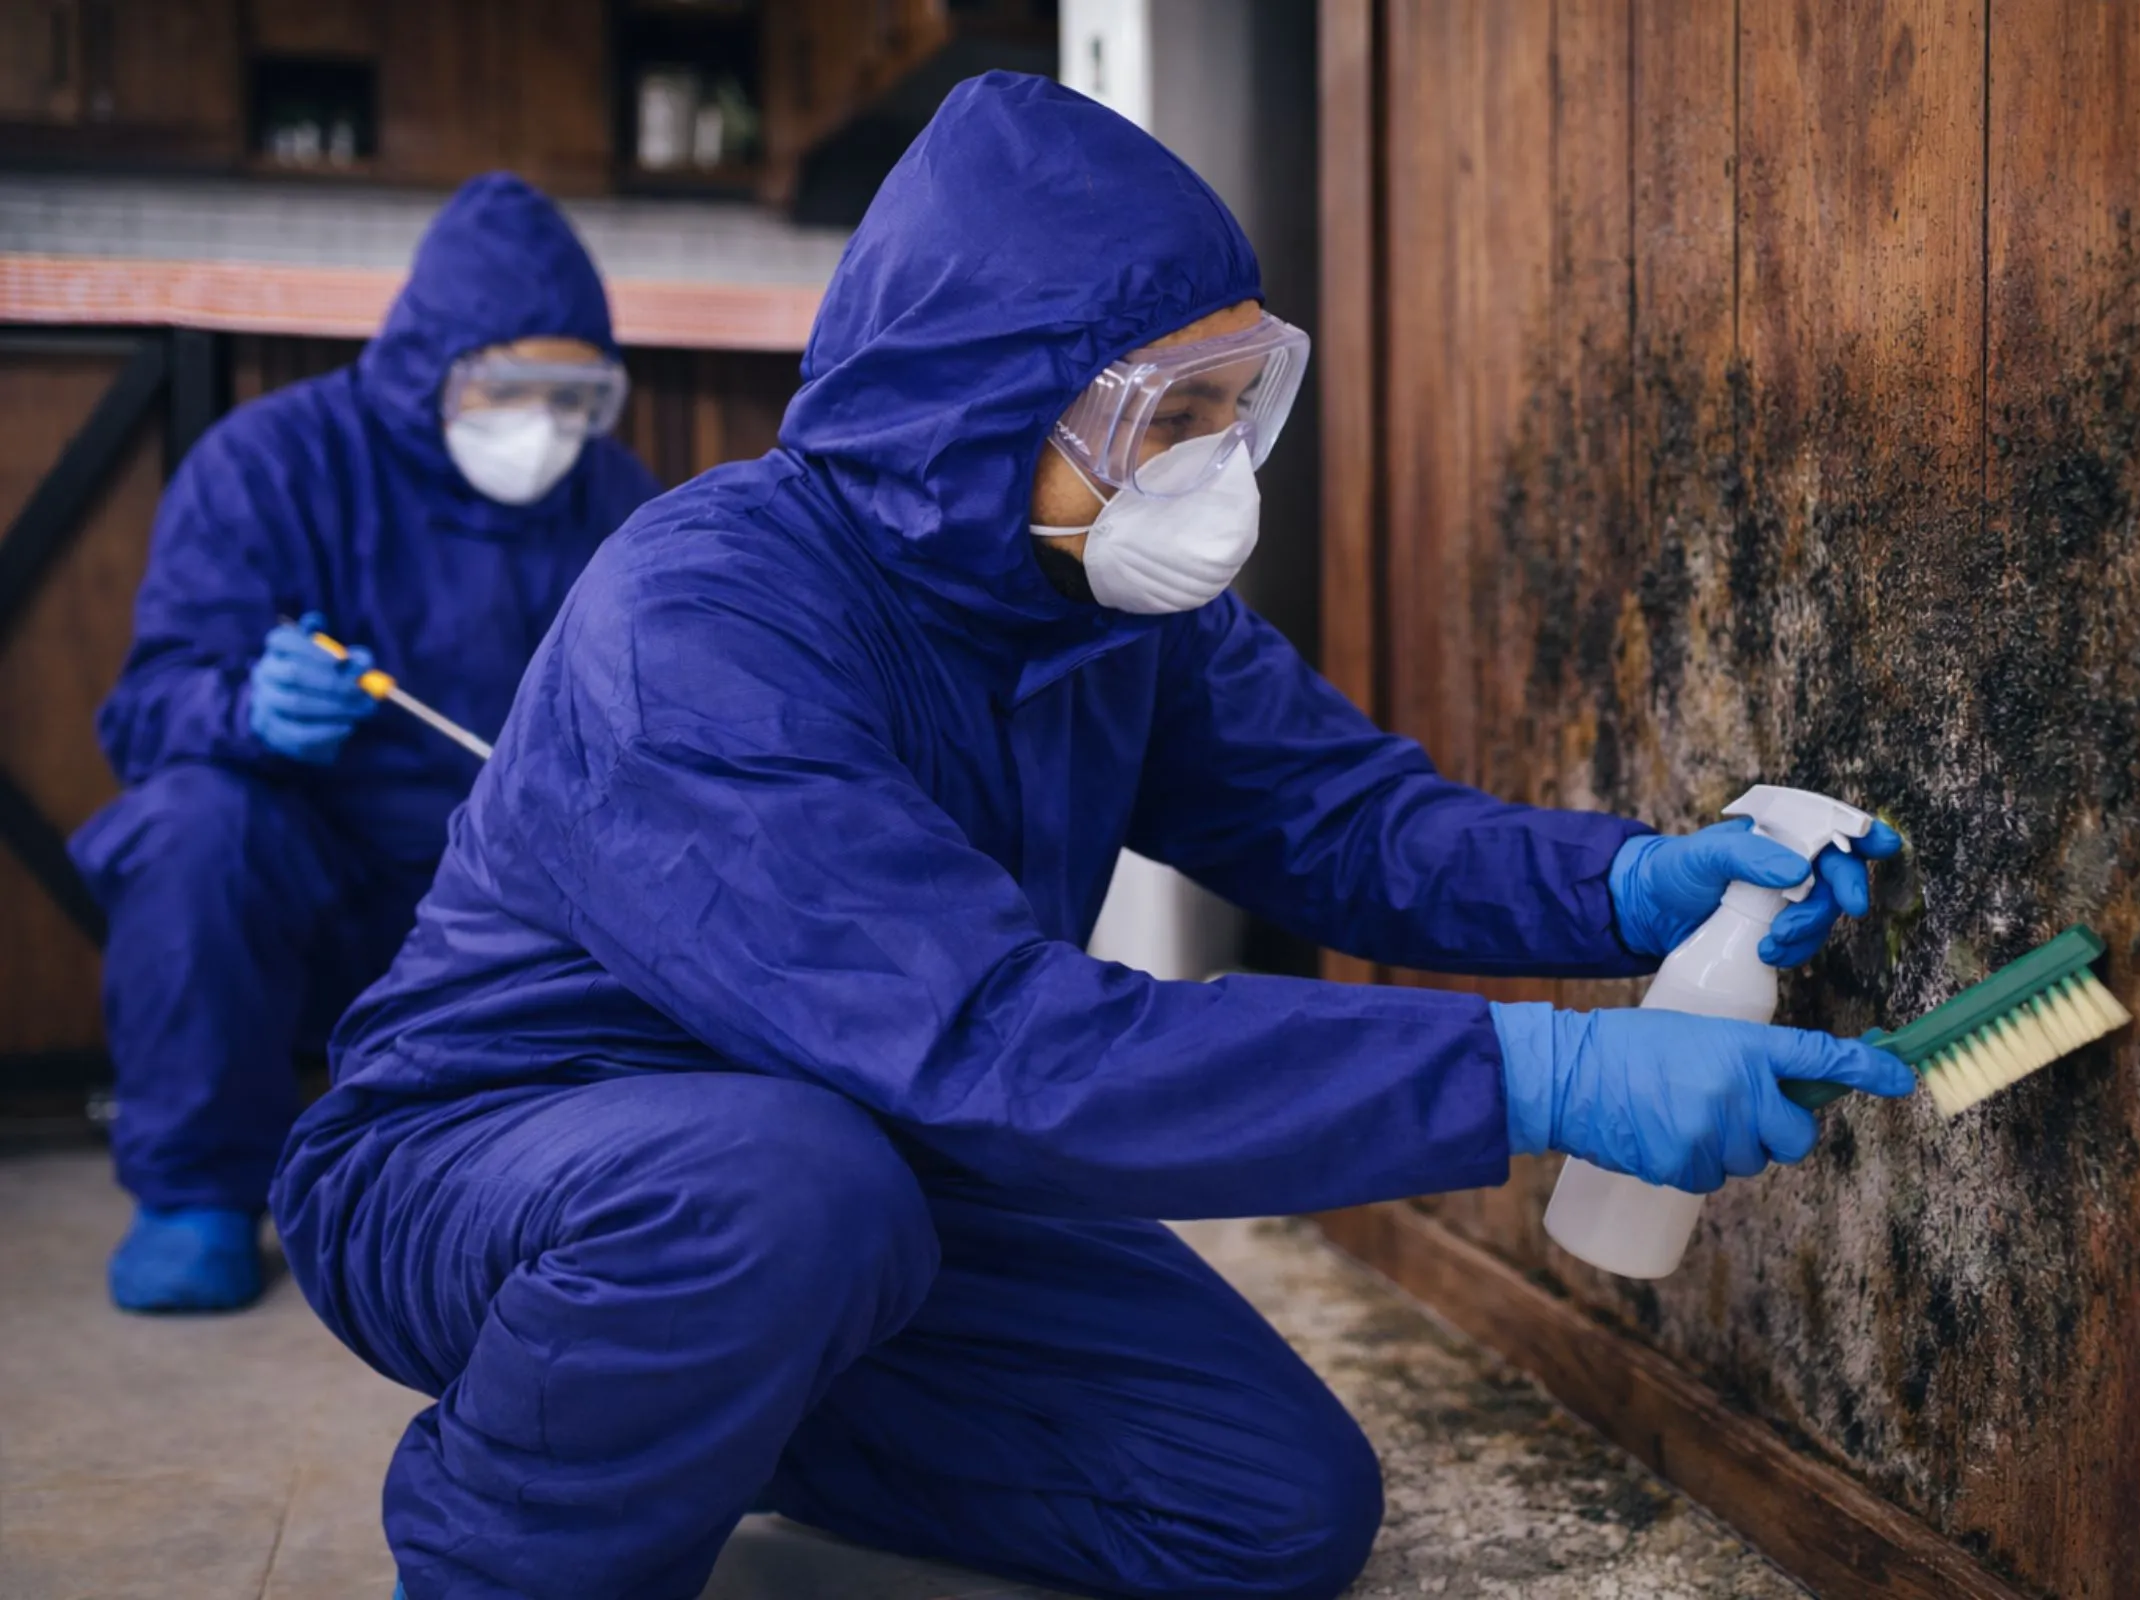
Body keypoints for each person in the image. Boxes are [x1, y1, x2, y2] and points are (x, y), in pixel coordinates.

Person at [272, 77, 1913, 1600]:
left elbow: (1342, 819)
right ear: (973, 409)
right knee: (779, 1197)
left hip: (874, 1147)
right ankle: (508, 1542)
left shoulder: (1099, 606)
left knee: (1262, 1504)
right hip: (501, 1156)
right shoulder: (702, 623)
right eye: (1163, 418)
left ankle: (697, 1405)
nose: (1208, 472)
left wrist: (1631, 884)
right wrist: (1539, 1083)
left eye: (1235, 404)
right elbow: (1001, 1046)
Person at [74, 174, 660, 1314]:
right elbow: (144, 714)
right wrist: (245, 708)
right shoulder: (272, 466)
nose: (542, 425)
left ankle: (569, 1186)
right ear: (429, 362)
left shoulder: (618, 499)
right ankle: (196, 1193)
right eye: (509, 387)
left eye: (576, 394)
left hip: (522, 916)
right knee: (193, 825)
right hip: (330, 899)